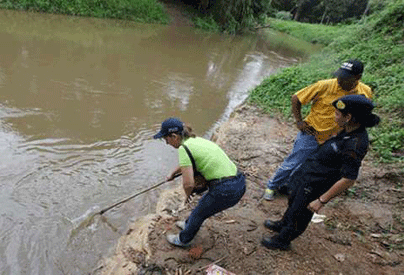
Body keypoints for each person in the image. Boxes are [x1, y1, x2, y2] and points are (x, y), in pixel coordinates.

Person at [261, 94, 380, 250]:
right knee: (293, 202)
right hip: (308, 176)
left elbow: (348, 179)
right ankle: (283, 224)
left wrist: (321, 200)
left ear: (348, 117)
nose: (334, 116)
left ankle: (283, 240)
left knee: (300, 213)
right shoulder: (347, 130)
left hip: (317, 184)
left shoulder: (356, 144)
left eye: (337, 114)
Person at [263, 59, 373, 200]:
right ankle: (271, 186)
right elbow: (296, 98)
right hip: (312, 133)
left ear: (357, 78)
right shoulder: (324, 86)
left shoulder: (365, 92)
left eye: (345, 78)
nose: (339, 80)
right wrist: (299, 121)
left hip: (335, 138)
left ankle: (288, 186)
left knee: (312, 166)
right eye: (339, 76)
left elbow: (363, 115)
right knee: (294, 162)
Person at [153, 117, 246, 247]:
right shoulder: (195, 140)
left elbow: (189, 184)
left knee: (199, 213)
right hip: (239, 182)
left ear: (174, 136)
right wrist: (172, 174)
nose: (167, 143)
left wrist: (187, 196)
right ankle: (187, 224)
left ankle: (183, 240)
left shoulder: (183, 149)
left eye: (166, 139)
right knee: (201, 207)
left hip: (226, 189)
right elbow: (187, 162)